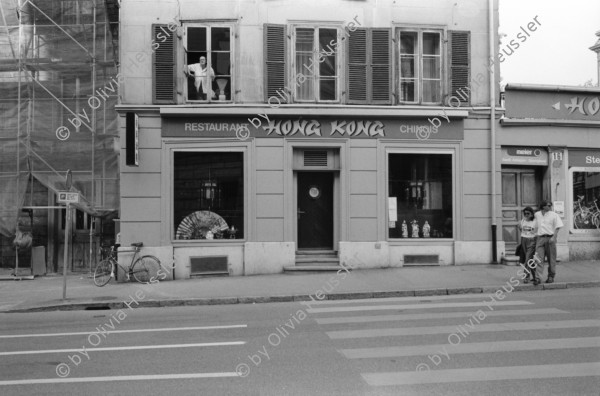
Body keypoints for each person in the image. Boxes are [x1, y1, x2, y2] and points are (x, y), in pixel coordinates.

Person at [534, 200, 563, 284]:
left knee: (551, 259)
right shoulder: (537, 214)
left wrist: (554, 237)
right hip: (540, 238)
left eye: (551, 205)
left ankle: (551, 276)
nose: (551, 207)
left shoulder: (554, 215)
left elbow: (558, 227)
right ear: (543, 206)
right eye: (549, 205)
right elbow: (535, 226)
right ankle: (538, 278)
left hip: (550, 239)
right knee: (538, 259)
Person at [518, 207, 537, 284]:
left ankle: (526, 277)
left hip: (531, 240)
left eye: (528, 213)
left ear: (532, 214)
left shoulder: (535, 222)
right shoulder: (522, 221)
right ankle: (535, 276)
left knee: (527, 259)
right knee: (529, 259)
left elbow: (537, 231)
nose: (526, 215)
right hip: (523, 239)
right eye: (525, 213)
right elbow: (521, 229)